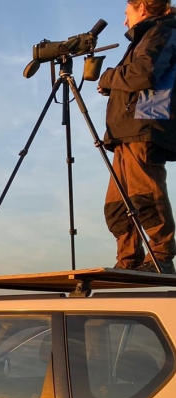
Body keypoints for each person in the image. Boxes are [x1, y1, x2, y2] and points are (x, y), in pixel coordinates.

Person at [98, 0, 176, 274]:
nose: (124, 21)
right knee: (117, 204)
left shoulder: (163, 31)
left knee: (146, 194)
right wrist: (115, 86)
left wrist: (108, 78)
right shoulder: (148, 35)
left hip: (145, 123)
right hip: (127, 128)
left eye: (126, 13)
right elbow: (136, 78)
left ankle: (161, 258)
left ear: (142, 8)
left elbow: (143, 73)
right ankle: (128, 259)